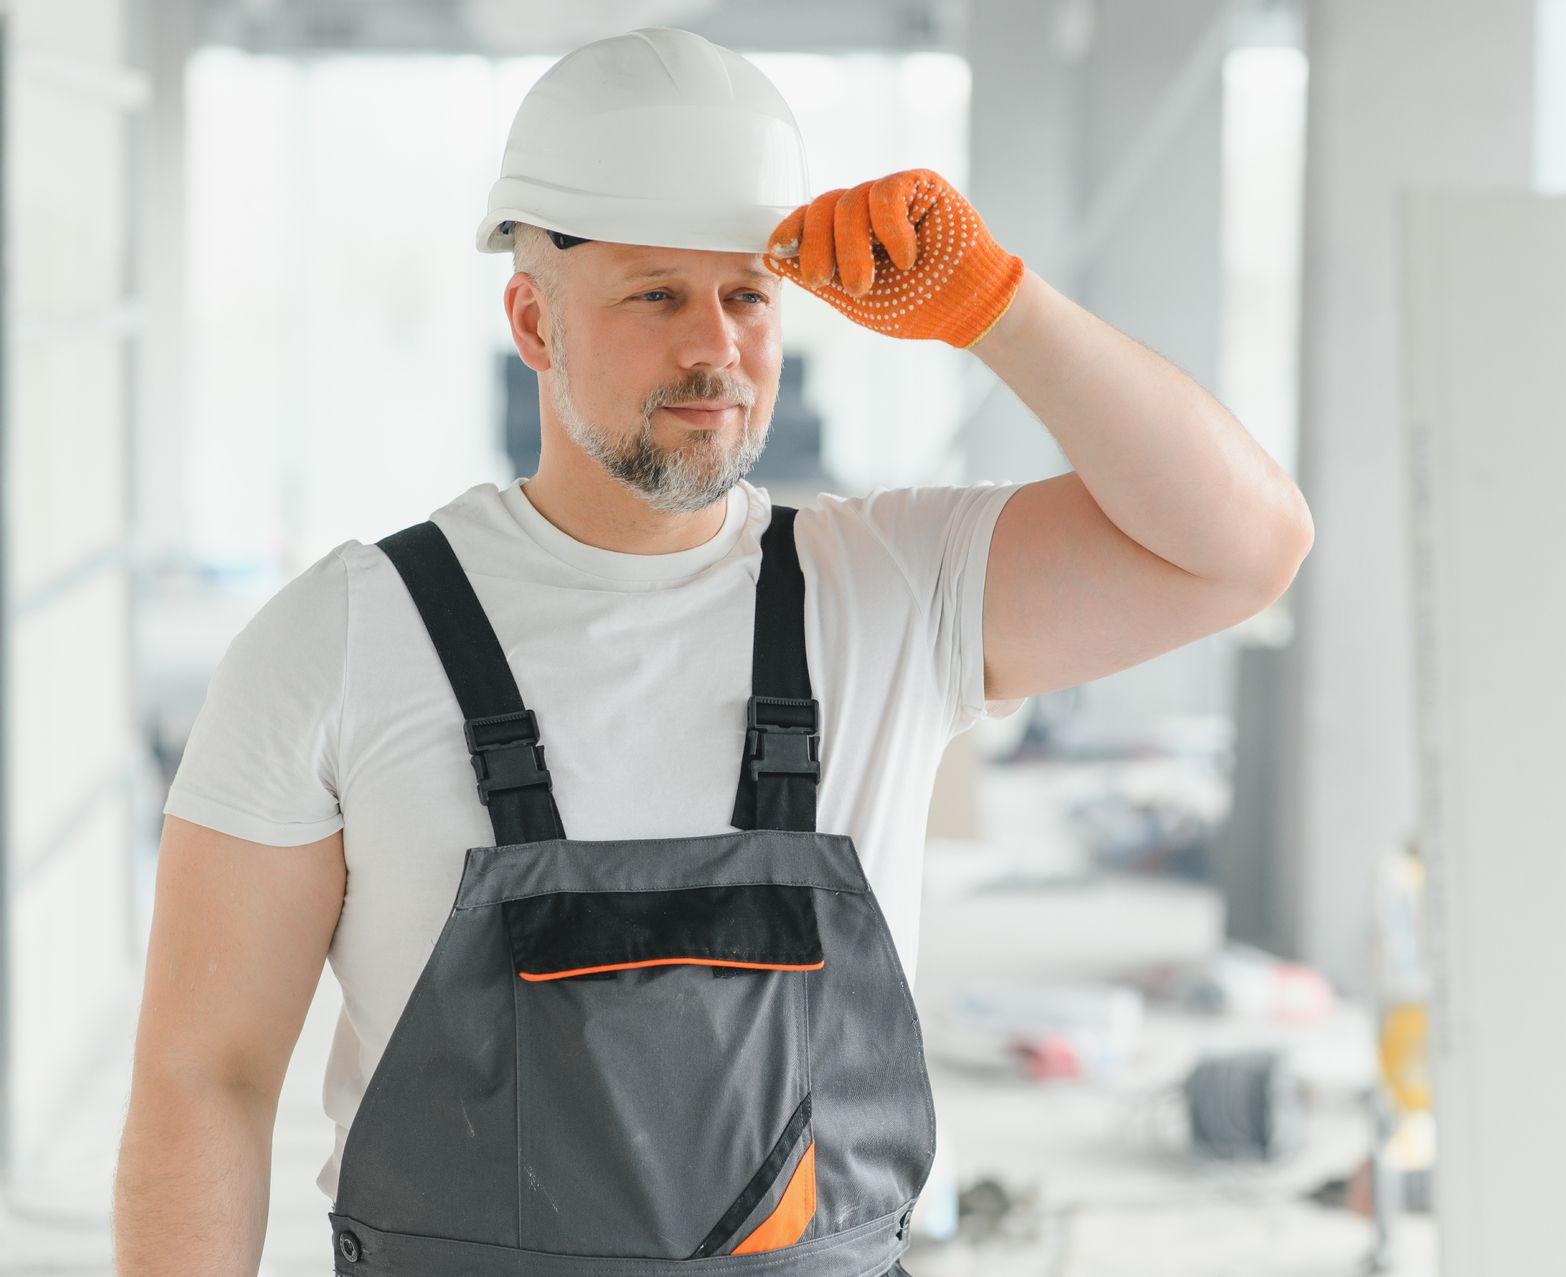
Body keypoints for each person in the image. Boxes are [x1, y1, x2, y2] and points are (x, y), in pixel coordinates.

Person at [112, 25, 1313, 1277]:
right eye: (655, 295)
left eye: (747, 295)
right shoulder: (346, 637)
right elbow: (210, 1075)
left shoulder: (892, 588)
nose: (716, 349)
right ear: (533, 317)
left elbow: (1246, 548)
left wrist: (1000, 309)